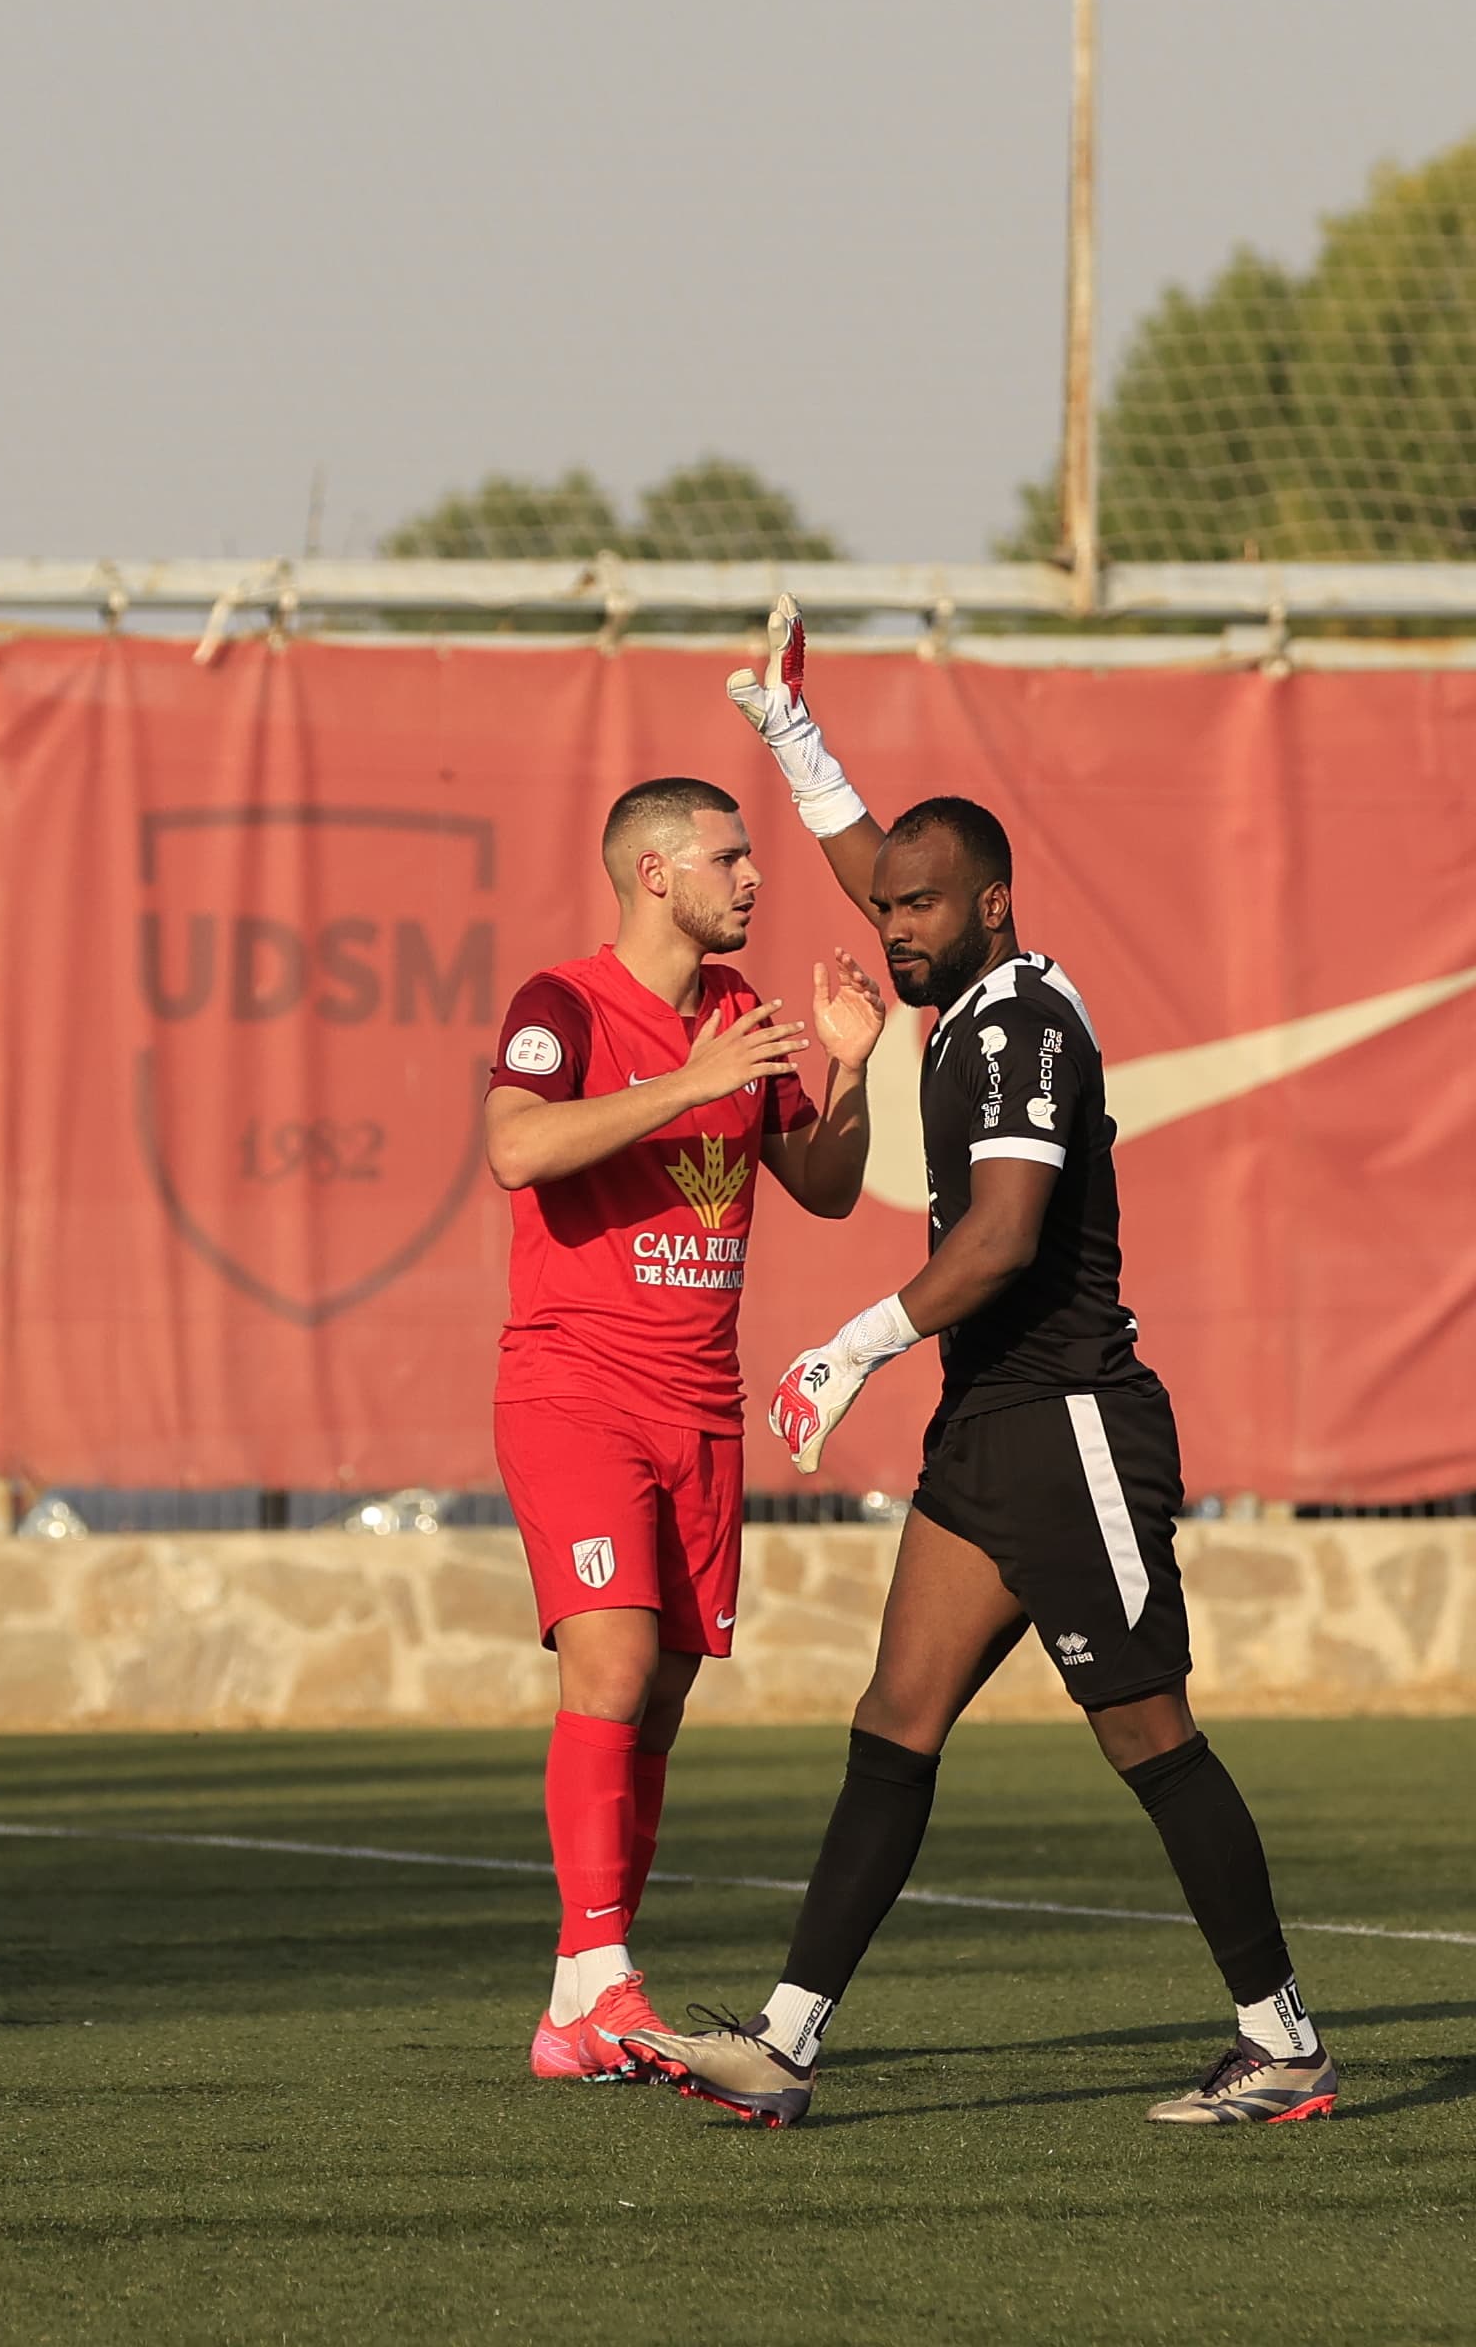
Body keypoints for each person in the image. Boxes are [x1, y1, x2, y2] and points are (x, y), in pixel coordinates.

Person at [623, 602, 1337, 2129]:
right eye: (890, 910)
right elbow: (880, 861)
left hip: (1071, 1424)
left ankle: (1282, 2043)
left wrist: (853, 1345)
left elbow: (1004, 1240)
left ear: (995, 909)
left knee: (1149, 1737)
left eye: (927, 911)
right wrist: (797, 742)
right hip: (992, 1430)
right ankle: (790, 2042)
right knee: (895, 1723)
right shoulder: (962, 993)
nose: (896, 930)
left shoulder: (1023, 1027)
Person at [485, 774, 885, 2081]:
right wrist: (685, 1080)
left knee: (654, 1705)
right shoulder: (563, 1005)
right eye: (730, 857)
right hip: (576, 1391)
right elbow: (516, 1152)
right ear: (656, 874)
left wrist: (846, 1064)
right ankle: (605, 1979)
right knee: (605, 1672)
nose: (755, 879)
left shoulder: (740, 1017)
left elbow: (822, 1188)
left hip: (702, 1412)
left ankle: (575, 2005)